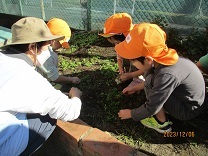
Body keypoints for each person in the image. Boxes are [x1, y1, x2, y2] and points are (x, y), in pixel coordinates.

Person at [0, 17, 82, 155]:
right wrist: (75, 96)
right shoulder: (28, 78)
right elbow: (70, 112)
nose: (49, 50)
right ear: (32, 47)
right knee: (46, 119)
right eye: (47, 46)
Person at [115, 23, 206, 133]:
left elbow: (152, 106)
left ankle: (162, 124)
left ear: (148, 59)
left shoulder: (167, 74)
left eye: (133, 60)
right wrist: (135, 88)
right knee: (149, 76)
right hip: (186, 99)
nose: (132, 63)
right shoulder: (164, 59)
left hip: (187, 110)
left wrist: (131, 113)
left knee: (149, 80)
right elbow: (159, 83)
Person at [99, 12, 145, 95]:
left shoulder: (137, 47)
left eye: (116, 42)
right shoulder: (123, 44)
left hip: (148, 71)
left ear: (123, 37)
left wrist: (132, 75)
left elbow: (147, 69)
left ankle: (138, 79)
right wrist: (121, 70)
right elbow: (119, 58)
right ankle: (130, 74)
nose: (116, 46)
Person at [37, 18, 80, 84]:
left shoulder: (43, 47)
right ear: (53, 40)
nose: (62, 46)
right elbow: (55, 78)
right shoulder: (44, 55)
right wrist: (71, 79)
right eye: (61, 43)